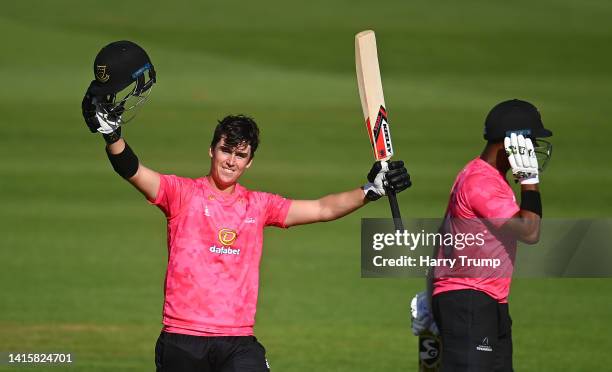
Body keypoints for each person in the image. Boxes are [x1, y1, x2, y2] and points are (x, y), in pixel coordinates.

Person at [81, 40, 412, 372]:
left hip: (237, 342)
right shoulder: (182, 194)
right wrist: (112, 137)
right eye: (226, 151)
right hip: (182, 339)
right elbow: (133, 171)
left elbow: (323, 209)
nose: (231, 162)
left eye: (240, 156)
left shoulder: (258, 205)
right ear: (212, 150)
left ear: (249, 162)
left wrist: (370, 190)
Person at [412, 99, 553, 371]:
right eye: (531, 143)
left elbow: (445, 237)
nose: (534, 152)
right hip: (469, 302)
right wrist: (530, 183)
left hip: (486, 302)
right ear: (513, 144)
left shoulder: (482, 176)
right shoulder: (481, 182)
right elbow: (529, 230)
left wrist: (431, 296)